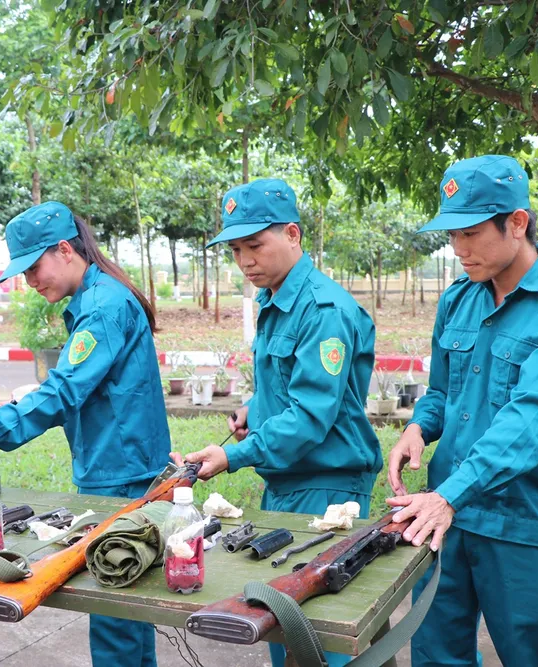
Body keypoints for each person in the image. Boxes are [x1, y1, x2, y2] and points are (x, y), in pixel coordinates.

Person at [385, 155, 538, 666]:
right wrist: (418, 428)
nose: (459, 250)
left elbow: (530, 421)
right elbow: (442, 391)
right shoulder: (458, 300)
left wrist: (449, 495)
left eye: (470, 233)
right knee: (436, 655)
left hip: (522, 526)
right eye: (451, 236)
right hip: (445, 520)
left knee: (532, 656)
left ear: (517, 222)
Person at [0, 200, 170, 667]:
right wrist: (37, 391)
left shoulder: (101, 307)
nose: (30, 281)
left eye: (34, 266)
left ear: (65, 250)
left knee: (113, 615)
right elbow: (92, 386)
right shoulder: (101, 296)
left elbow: (64, 393)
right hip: (124, 466)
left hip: (117, 475)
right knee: (127, 611)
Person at [172, 178, 382, 667]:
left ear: (293, 234)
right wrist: (254, 408)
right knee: (280, 622)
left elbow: (311, 416)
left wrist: (232, 456)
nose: (245, 259)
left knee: (317, 636)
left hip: (327, 482)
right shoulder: (275, 298)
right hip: (287, 479)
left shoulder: (323, 310)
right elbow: (288, 389)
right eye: (236, 249)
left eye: (255, 245)